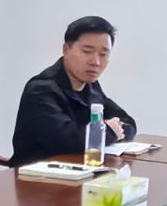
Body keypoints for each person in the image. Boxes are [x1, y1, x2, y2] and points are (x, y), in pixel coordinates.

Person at [9, 16, 135, 167]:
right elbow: (67, 142)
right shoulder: (41, 89)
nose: (95, 62)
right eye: (87, 51)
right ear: (66, 50)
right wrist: (109, 131)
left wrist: (111, 129)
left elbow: (128, 123)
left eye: (103, 54)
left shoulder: (92, 87)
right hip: (35, 177)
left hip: (80, 172)